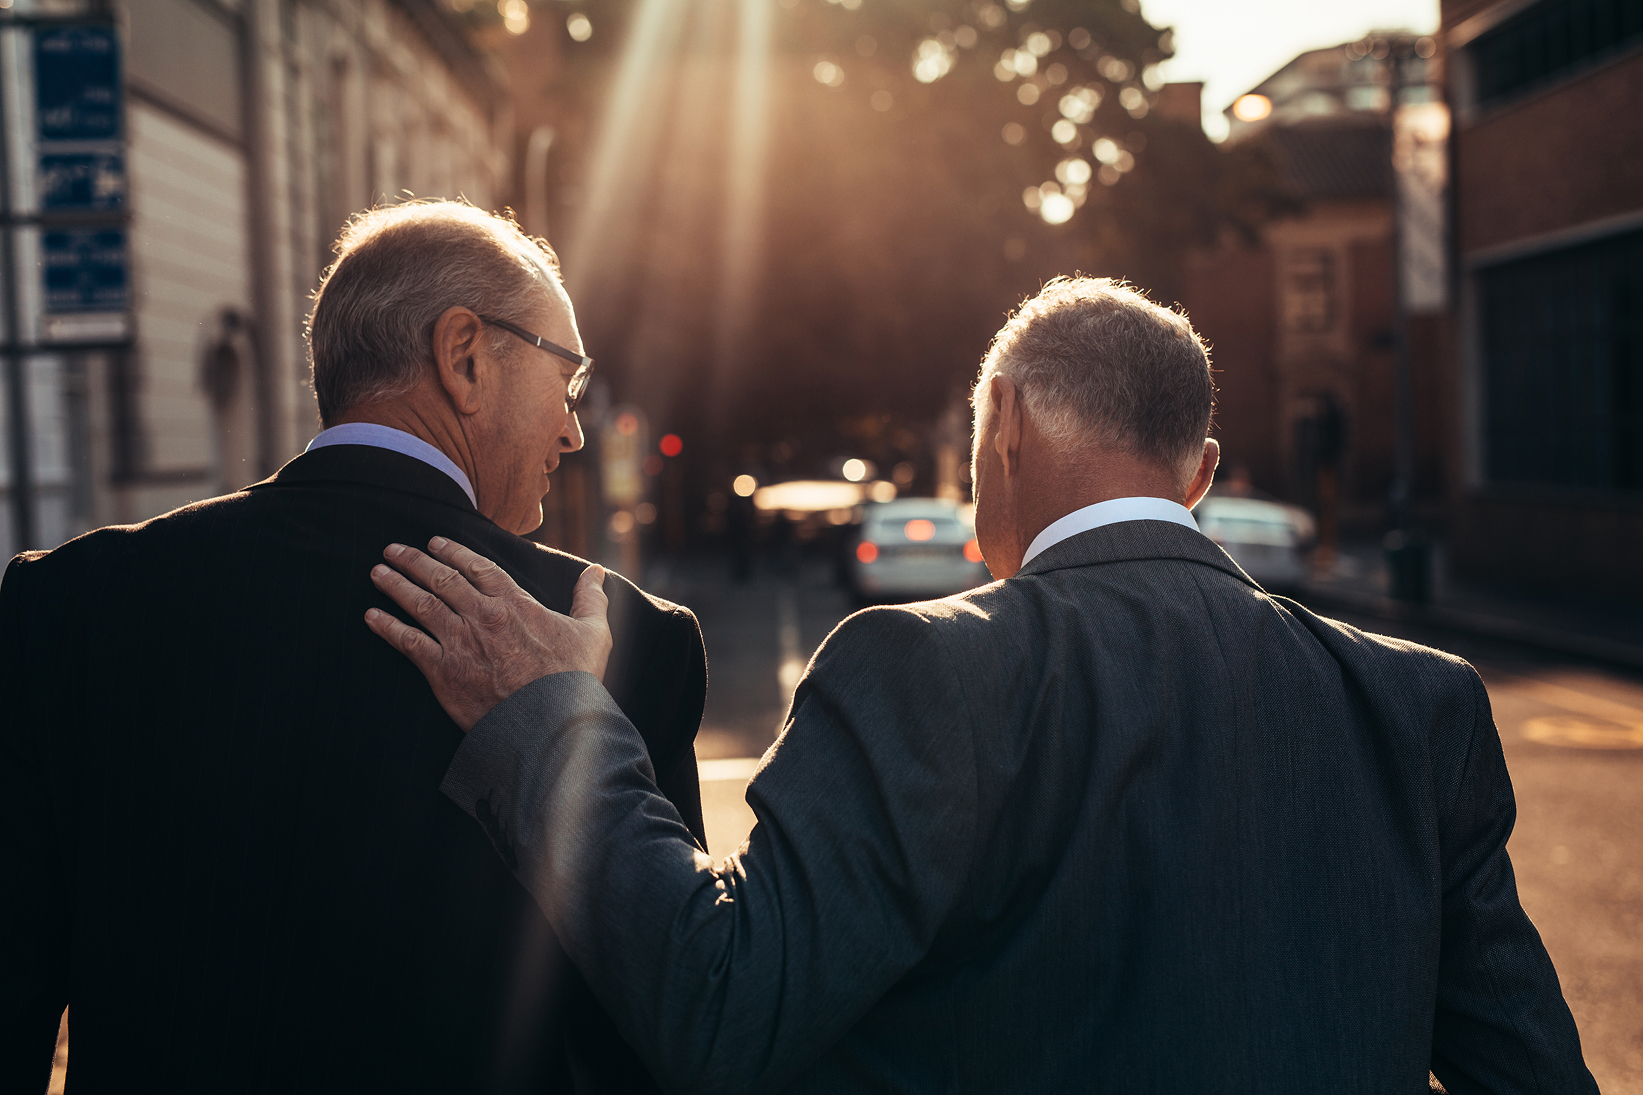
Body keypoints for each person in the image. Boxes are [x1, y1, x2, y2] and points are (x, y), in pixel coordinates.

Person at [367, 277, 1595, 1094]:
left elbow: (721, 1008)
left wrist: (553, 724)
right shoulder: (1413, 700)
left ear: (1000, 422)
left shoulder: (925, 665)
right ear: (1202, 468)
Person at [0, 200, 706, 1093]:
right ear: (464, 357)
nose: (572, 429)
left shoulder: (69, 603)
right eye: (565, 381)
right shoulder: (619, 634)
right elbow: (664, 1021)